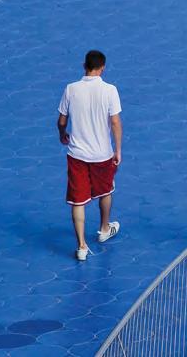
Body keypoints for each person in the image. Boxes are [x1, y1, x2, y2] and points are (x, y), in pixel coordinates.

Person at [57, 50, 123, 262]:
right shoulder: (110, 90)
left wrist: (62, 134)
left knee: (78, 201)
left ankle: (81, 247)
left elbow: (61, 121)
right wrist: (118, 149)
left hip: (77, 155)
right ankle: (104, 228)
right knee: (106, 191)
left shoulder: (71, 89)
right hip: (102, 154)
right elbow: (115, 122)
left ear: (84, 65)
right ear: (102, 68)